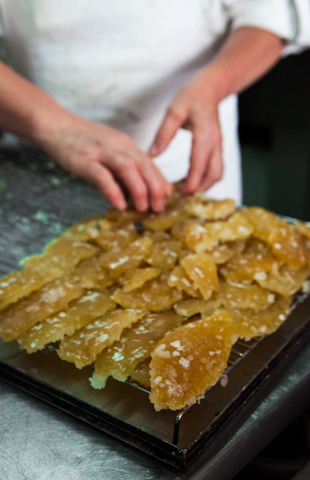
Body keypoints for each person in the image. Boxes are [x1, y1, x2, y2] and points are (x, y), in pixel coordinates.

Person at [0, 0, 309, 212]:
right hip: (32, 160)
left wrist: (212, 85)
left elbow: (273, 11)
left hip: (183, 165)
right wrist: (53, 125)